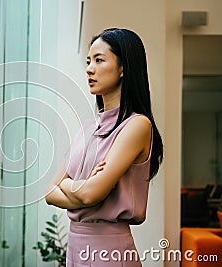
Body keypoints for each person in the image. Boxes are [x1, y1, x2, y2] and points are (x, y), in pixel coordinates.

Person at [45, 28, 163, 266]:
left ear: (123, 68)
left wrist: (68, 185)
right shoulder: (88, 128)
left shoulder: (137, 125)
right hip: (76, 248)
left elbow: (91, 194)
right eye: (89, 61)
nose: (89, 68)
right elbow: (49, 193)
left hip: (110, 251)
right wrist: (82, 189)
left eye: (99, 60)